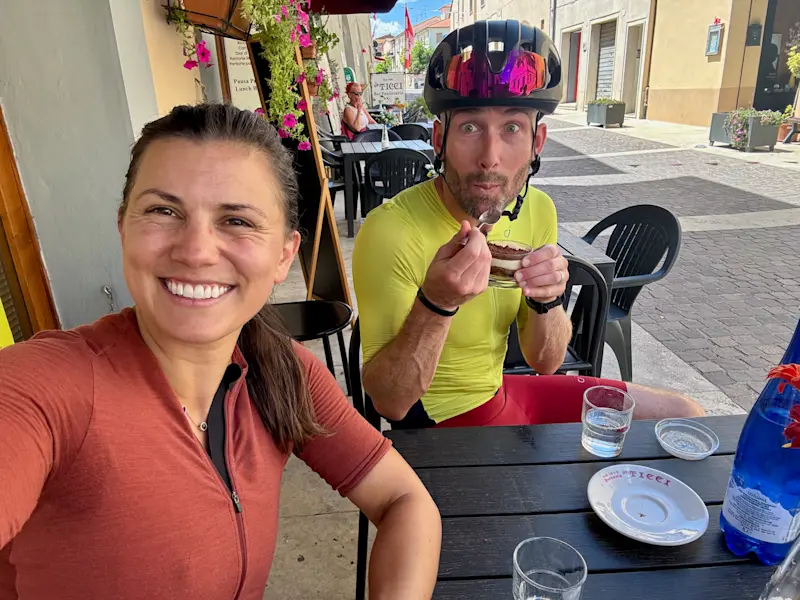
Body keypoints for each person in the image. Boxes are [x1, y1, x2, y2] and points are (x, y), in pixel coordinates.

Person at [0, 104, 441, 599]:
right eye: (164, 211)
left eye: (236, 220)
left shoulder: (280, 370)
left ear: (283, 256)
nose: (195, 250)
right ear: (123, 228)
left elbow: (406, 500)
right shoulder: (51, 387)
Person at [352, 20, 705, 429]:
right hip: (441, 424)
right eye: (469, 127)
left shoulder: (538, 210)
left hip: (503, 395)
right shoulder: (389, 231)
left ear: (537, 143)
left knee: (684, 415)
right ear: (438, 139)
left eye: (512, 128)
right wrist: (436, 303)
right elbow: (390, 403)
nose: (490, 156)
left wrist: (548, 299)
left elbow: (547, 361)